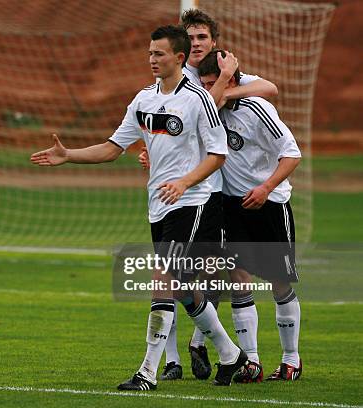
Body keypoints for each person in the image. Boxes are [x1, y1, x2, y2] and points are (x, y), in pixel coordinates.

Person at [31, 25, 247, 390]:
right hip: (158, 205)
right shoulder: (143, 99)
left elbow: (218, 154)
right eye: (149, 53)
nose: (152, 59)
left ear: (179, 58)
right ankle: (231, 354)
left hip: (192, 203)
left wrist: (184, 182)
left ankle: (147, 372)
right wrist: (69, 155)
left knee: (163, 279)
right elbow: (113, 148)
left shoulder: (198, 99)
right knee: (181, 288)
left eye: (159, 54)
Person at [138, 9, 279, 382]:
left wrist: (228, 81)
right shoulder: (173, 76)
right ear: (182, 47)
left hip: (210, 192)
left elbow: (268, 89)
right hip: (176, 192)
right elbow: (174, 117)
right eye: (192, 37)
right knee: (179, 276)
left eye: (202, 37)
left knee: (204, 275)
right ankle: (181, 359)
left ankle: (222, 351)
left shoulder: (221, 69)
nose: (197, 43)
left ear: (213, 42)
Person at [198, 49, 302, 382]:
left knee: (280, 281)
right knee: (238, 277)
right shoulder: (209, 113)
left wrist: (266, 188)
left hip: (271, 204)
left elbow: (292, 154)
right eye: (206, 86)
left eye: (216, 84)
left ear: (232, 81)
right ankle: (251, 362)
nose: (211, 92)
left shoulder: (258, 108)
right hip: (232, 206)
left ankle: (291, 360)